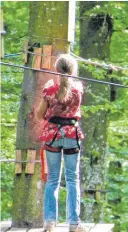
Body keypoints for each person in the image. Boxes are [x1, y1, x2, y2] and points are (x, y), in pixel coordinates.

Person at [36, 54, 87, 232]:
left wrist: (51, 112)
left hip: (53, 135)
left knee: (53, 179)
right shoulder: (78, 89)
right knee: (72, 179)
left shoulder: (50, 89)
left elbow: (39, 114)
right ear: (73, 70)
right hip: (72, 134)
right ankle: (74, 223)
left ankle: (50, 221)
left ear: (56, 70)